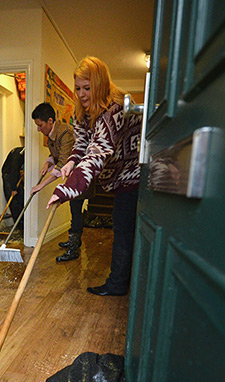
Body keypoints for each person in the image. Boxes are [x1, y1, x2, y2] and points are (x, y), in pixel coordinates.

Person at [45, 57, 142, 296]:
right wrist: (70, 161)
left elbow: (98, 152)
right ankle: (121, 281)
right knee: (122, 226)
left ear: (100, 84)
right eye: (78, 88)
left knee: (123, 228)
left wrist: (67, 189)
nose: (81, 94)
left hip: (133, 175)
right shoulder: (82, 112)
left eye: (87, 88)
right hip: (115, 177)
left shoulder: (114, 110)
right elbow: (82, 145)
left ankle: (119, 284)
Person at [30, 102, 86, 262]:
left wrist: (41, 185)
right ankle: (74, 239)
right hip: (69, 174)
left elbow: (62, 164)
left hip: (80, 175)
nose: (38, 129)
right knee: (73, 208)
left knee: (76, 208)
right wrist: (47, 162)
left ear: (49, 121)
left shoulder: (65, 133)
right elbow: (55, 155)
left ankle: (73, 248)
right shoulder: (50, 137)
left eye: (40, 125)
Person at [1, 146, 25, 230]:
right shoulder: (19, 154)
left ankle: (22, 223)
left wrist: (22, 171)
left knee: (21, 198)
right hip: (8, 175)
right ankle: (18, 226)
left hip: (15, 174)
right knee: (13, 202)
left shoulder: (23, 152)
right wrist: (14, 189)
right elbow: (14, 170)